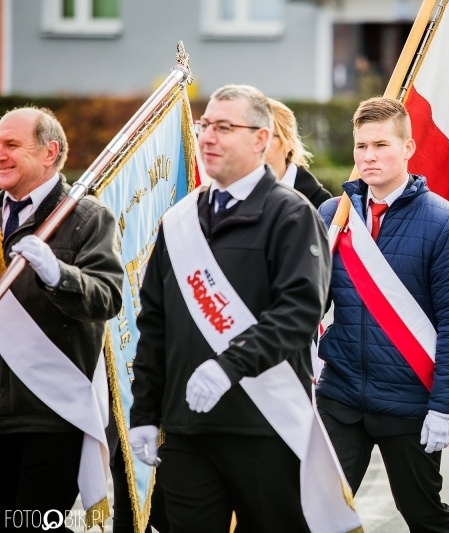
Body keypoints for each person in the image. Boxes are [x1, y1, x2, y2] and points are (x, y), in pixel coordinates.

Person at [129, 85, 331, 533]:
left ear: (261, 139)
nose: (207, 137)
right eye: (204, 126)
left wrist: (228, 367)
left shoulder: (292, 215)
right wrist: (143, 414)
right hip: (188, 431)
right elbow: (155, 324)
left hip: (264, 427)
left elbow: (298, 313)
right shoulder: (179, 221)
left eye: (224, 127)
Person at [316, 97, 449, 533]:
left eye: (381, 145)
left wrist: (445, 407)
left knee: (422, 513)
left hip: (411, 402)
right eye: (361, 146)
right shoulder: (334, 215)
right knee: (318, 511)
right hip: (341, 394)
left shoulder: (445, 222)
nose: (368, 156)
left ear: (408, 148)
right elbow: (309, 301)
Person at [0, 107, 123, 530]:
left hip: (49, 413)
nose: (0, 154)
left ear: (50, 152)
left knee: (29, 525)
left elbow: (107, 297)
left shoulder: (87, 218)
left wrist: (57, 274)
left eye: (11, 145)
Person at [264, 98, 332, 208]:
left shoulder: (319, 201)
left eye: (267, 134)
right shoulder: (235, 190)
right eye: (253, 134)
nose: (257, 142)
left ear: (289, 142)